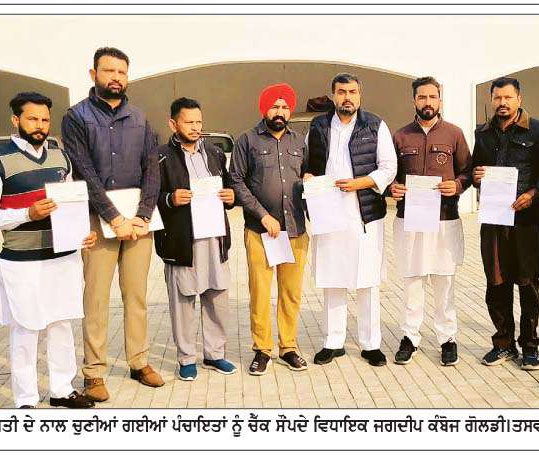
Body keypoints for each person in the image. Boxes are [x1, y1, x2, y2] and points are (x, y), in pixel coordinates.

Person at [0, 91, 96, 408]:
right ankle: (26, 400)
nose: (40, 125)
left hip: (63, 258)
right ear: (16, 120)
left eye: (44, 119)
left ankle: (61, 391)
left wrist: (82, 234)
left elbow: (69, 205)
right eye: (32, 119)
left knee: (61, 324)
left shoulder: (61, 158)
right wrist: (27, 214)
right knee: (26, 329)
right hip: (21, 261)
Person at [62, 47, 163, 402]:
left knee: (136, 295)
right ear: (93, 74)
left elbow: (152, 168)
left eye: (122, 72)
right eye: (109, 71)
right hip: (98, 219)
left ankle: (139, 361)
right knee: (96, 297)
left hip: (137, 222)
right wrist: (113, 217)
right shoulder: (76, 117)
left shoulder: (140, 117)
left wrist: (143, 215)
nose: (116, 78)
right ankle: (93, 372)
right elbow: (83, 170)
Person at [306, 73, 397, 367]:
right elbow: (308, 163)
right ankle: (333, 341)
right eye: (342, 92)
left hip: (364, 213)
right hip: (328, 211)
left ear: (360, 95)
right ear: (333, 95)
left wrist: (360, 183)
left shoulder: (375, 125)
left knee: (367, 279)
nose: (347, 97)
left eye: (353, 92)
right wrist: (307, 176)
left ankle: (371, 344)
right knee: (333, 277)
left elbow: (389, 167)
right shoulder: (319, 126)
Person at [470, 77, 539, 370]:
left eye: (508, 97)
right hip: (494, 221)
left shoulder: (538, 131)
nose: (502, 103)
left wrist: (532, 195)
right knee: (496, 283)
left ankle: (530, 346)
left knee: (528, 285)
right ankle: (503, 344)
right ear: (491, 100)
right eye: (497, 98)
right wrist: (476, 177)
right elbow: (474, 170)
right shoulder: (482, 133)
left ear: (519, 99)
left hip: (526, 222)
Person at [390, 76, 472, 366]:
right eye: (422, 97)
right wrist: (392, 188)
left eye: (432, 97)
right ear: (414, 100)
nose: (427, 102)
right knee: (412, 280)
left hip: (444, 220)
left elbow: (468, 171)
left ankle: (447, 339)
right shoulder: (400, 136)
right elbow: (389, 174)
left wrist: (457, 185)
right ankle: (409, 337)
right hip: (410, 220)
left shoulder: (454, 134)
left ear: (440, 100)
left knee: (443, 281)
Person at [229, 83, 310, 375]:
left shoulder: (299, 142)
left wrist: (311, 180)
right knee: (260, 292)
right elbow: (236, 181)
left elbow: (308, 174)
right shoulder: (247, 140)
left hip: (295, 229)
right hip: (260, 231)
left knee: (291, 293)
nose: (280, 112)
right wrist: (263, 216)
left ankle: (288, 347)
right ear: (264, 108)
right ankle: (262, 349)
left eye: (285, 107)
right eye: (275, 106)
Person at [154, 97, 238, 381]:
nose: (195, 127)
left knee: (217, 298)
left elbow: (229, 188)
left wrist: (231, 197)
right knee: (183, 302)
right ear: (173, 124)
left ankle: (215, 354)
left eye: (198, 122)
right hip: (182, 242)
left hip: (215, 239)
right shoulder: (161, 157)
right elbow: (149, 197)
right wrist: (170, 198)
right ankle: (186, 358)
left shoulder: (214, 153)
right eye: (188, 122)